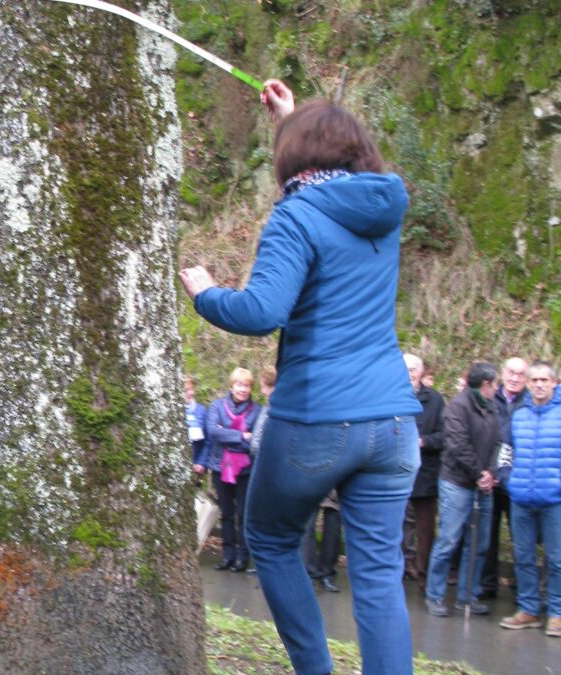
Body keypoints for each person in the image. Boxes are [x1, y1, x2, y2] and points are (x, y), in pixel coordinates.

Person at [179, 80, 422, 674]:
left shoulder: (296, 214)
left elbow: (262, 312)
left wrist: (206, 293)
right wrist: (291, 121)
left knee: (268, 536)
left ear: (294, 161)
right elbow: (329, 180)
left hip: (317, 417)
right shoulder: (383, 208)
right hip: (393, 423)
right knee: (378, 577)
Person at [424, 362, 500, 617]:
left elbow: (498, 441)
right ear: (486, 385)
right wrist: (479, 473)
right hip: (457, 483)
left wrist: (490, 473)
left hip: (483, 484)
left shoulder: (492, 406)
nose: (497, 388)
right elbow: (457, 445)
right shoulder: (458, 406)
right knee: (448, 540)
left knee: (478, 543)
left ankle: (468, 595)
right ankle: (434, 595)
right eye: (495, 383)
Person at [500, 361, 561, 637]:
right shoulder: (518, 413)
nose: (538, 384)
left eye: (543, 380)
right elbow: (505, 452)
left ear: (554, 383)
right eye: (533, 379)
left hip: (555, 500)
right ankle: (529, 610)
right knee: (523, 557)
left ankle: (557, 614)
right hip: (521, 498)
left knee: (557, 559)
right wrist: (507, 480)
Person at [201, 367, 260, 573]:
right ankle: (228, 555)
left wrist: (232, 437)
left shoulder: (256, 410)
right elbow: (214, 432)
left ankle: (243, 557)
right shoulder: (217, 406)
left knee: (243, 515)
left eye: (247, 386)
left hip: (245, 470)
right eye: (239, 385)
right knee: (226, 513)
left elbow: (254, 441)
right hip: (220, 467)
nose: (243, 389)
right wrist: (240, 436)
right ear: (231, 386)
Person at [481, 356, 527, 599]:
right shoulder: (490, 397)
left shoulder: (530, 401)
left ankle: (522, 587)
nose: (515, 378)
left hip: (516, 479)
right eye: (511, 372)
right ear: (503, 374)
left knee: (520, 537)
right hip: (490, 475)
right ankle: (487, 585)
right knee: (487, 536)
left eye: (521, 374)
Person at [403, 353, 446, 592]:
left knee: (425, 530)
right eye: (404, 369)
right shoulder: (388, 396)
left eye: (412, 369)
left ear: (420, 373)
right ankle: (396, 572)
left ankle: (424, 577)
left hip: (425, 473)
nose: (408, 374)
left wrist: (423, 442)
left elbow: (444, 436)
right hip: (394, 471)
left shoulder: (435, 400)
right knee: (395, 527)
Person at [300, 490, 342, 593]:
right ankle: (308, 574)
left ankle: (327, 574)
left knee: (333, 527)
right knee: (306, 526)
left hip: (336, 480)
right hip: (310, 480)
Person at [185, 375, 207, 473]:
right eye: (186, 390)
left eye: (192, 389)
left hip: (196, 467)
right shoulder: (170, 411)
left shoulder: (201, 410)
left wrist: (201, 462)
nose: (191, 393)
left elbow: (208, 440)